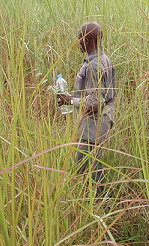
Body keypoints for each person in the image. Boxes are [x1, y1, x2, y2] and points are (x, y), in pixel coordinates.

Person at [58, 22, 115, 192]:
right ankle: (100, 206)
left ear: (87, 40)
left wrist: (70, 100)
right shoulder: (105, 60)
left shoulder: (94, 66)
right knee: (93, 171)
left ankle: (100, 209)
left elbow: (95, 103)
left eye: (79, 40)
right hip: (101, 124)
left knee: (87, 173)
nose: (78, 44)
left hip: (92, 127)